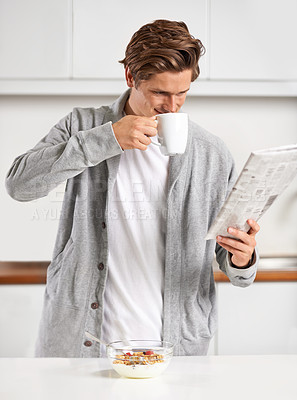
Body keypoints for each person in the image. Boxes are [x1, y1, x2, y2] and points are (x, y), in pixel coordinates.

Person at [5, 19, 260, 357]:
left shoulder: (211, 153)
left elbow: (232, 265)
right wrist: (106, 139)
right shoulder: (84, 126)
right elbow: (19, 185)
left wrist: (243, 258)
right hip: (82, 344)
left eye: (182, 93)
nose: (172, 106)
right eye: (160, 93)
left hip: (174, 349)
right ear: (131, 78)